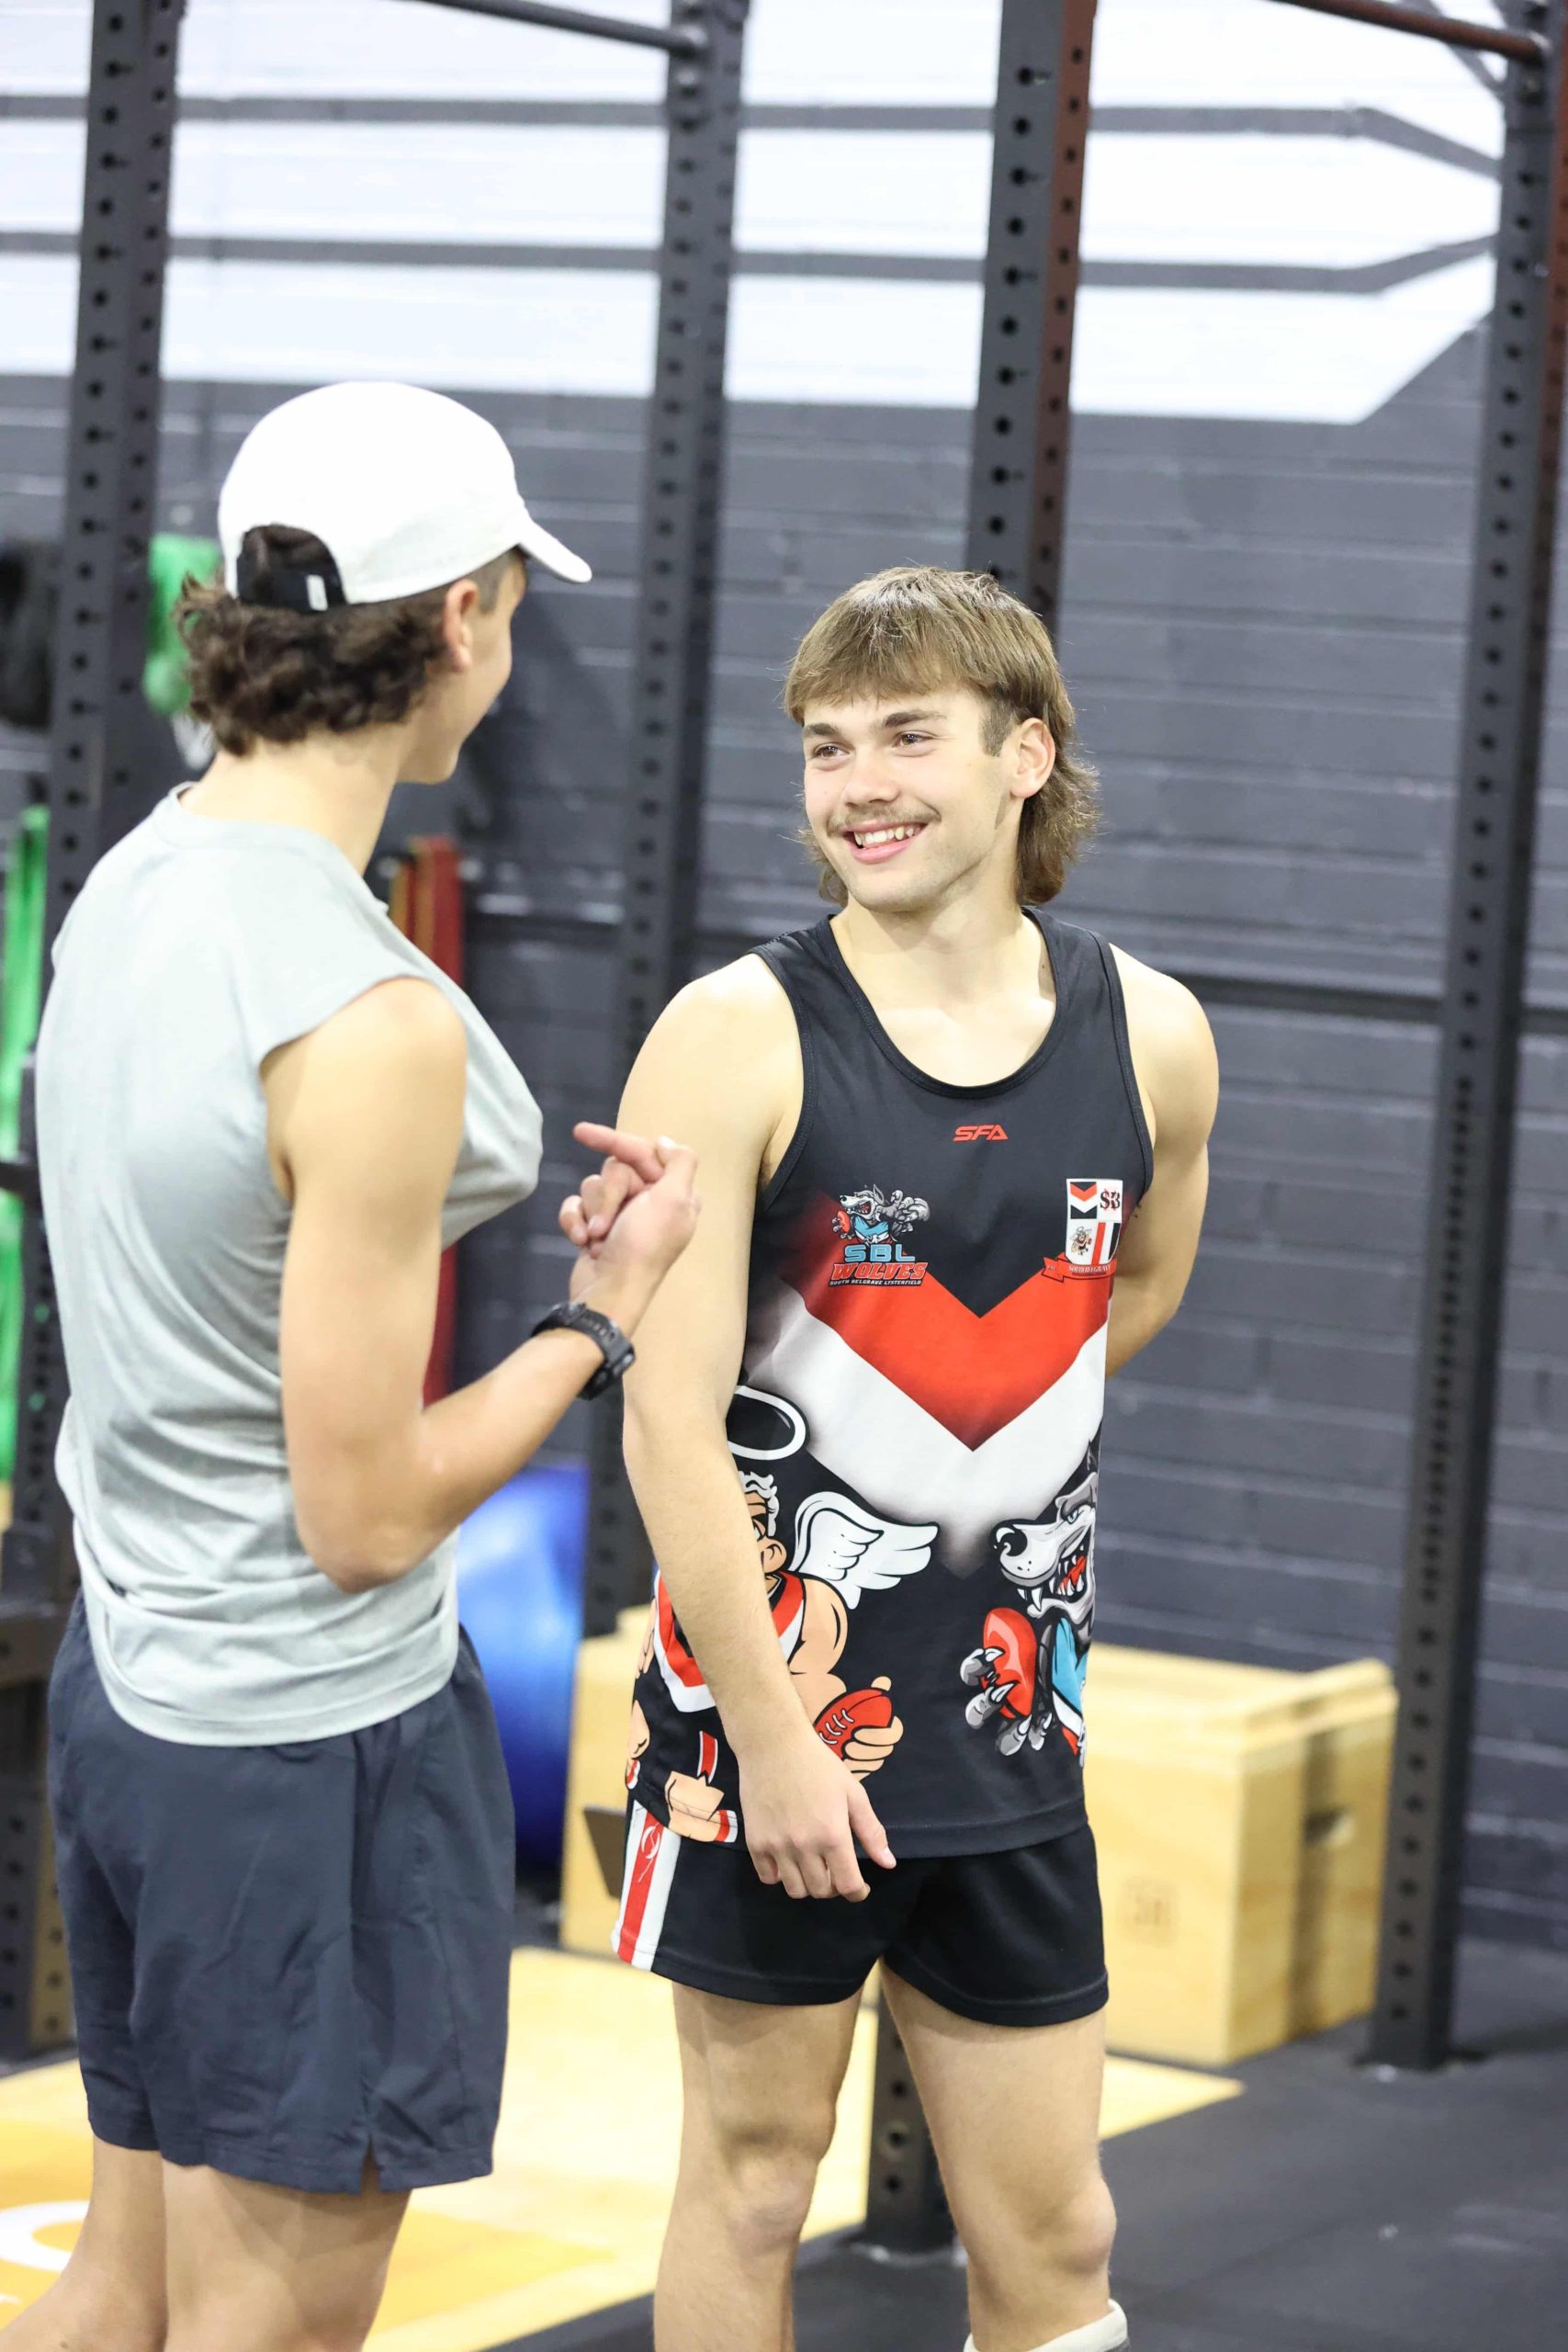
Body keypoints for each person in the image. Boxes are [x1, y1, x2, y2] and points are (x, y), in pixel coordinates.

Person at [21, 380, 698, 2352]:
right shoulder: (368, 1019)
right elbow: (367, 1515)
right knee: (276, 2318)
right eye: (510, 612)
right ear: (464, 619)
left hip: (133, 1689)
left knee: (121, 2283)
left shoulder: (136, 879)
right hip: (298, 1744)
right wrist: (599, 1320)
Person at [610, 566, 1219, 2352]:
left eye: (905, 737)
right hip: (766, 1731)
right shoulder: (732, 1034)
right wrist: (771, 1734)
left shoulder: (1154, 1033)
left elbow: (1130, 1296)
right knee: (751, 2180)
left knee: (1056, 2230)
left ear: (1025, 754)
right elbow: (663, 1413)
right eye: (825, 747)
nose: (858, 785)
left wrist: (969, 1470)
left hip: (1010, 1734)